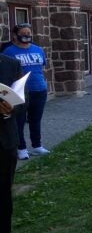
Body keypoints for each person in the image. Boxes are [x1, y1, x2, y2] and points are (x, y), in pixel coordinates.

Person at [2, 24, 50, 159]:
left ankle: (37, 146)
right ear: (15, 35)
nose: (26, 36)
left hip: (39, 90)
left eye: (29, 33)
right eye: (23, 33)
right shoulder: (9, 52)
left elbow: (41, 68)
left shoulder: (39, 49)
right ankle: (21, 148)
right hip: (19, 92)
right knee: (19, 121)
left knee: (36, 120)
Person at [0, 53, 24, 233]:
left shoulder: (12, 65)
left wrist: (10, 109)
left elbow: (23, 101)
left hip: (4, 140)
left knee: (4, 192)